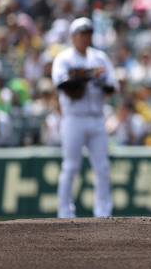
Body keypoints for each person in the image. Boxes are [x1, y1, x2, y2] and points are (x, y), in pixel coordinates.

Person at [51, 17, 119, 218]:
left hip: (98, 117)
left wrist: (100, 80)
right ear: (73, 36)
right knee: (71, 166)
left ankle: (103, 213)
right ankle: (65, 213)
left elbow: (113, 86)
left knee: (103, 167)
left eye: (88, 33)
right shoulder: (64, 58)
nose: (85, 37)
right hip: (74, 118)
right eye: (82, 33)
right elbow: (61, 84)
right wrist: (89, 76)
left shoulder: (100, 57)